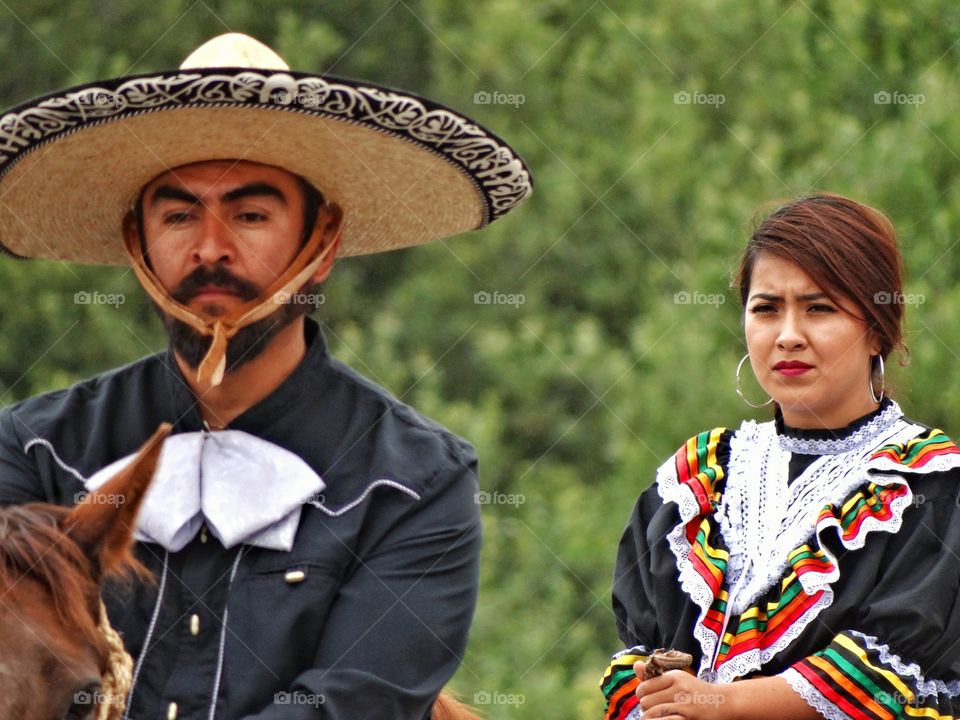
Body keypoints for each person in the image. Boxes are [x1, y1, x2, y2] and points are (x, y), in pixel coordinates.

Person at [0, 33, 532, 719]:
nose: (210, 248)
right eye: (179, 215)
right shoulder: (33, 449)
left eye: (250, 216)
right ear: (138, 242)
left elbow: (355, 702)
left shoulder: (416, 482)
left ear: (323, 244)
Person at [600, 194, 960, 720]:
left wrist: (721, 703)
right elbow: (638, 650)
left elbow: (894, 673)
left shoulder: (930, 483)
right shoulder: (696, 478)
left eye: (820, 308)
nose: (789, 336)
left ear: (877, 330)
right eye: (766, 309)